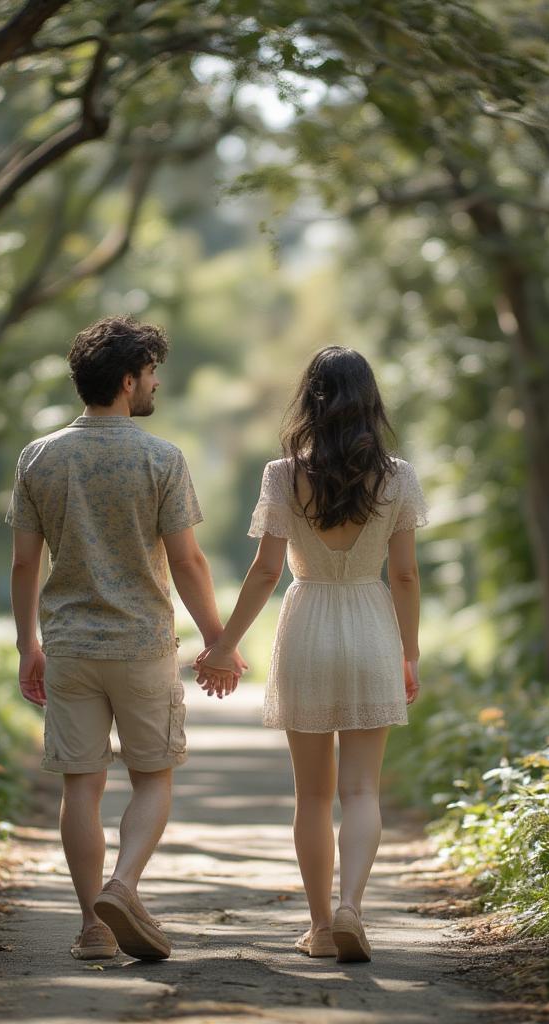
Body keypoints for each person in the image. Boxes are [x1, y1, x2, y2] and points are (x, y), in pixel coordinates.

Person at [6, 316, 245, 963]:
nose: (156, 382)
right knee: (152, 779)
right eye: (150, 373)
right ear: (127, 379)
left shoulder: (39, 456)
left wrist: (28, 644)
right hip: (142, 646)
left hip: (70, 648)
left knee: (80, 786)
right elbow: (190, 562)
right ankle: (124, 885)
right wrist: (219, 641)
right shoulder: (161, 457)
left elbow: (26, 564)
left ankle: (93, 927)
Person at [194, 346, 426, 964]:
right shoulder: (398, 475)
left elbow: (267, 571)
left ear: (310, 402)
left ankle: (322, 928)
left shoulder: (281, 475)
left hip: (307, 625)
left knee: (313, 796)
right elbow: (403, 576)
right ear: (371, 403)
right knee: (362, 792)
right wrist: (411, 653)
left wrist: (223, 645)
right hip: (373, 624)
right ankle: (352, 906)